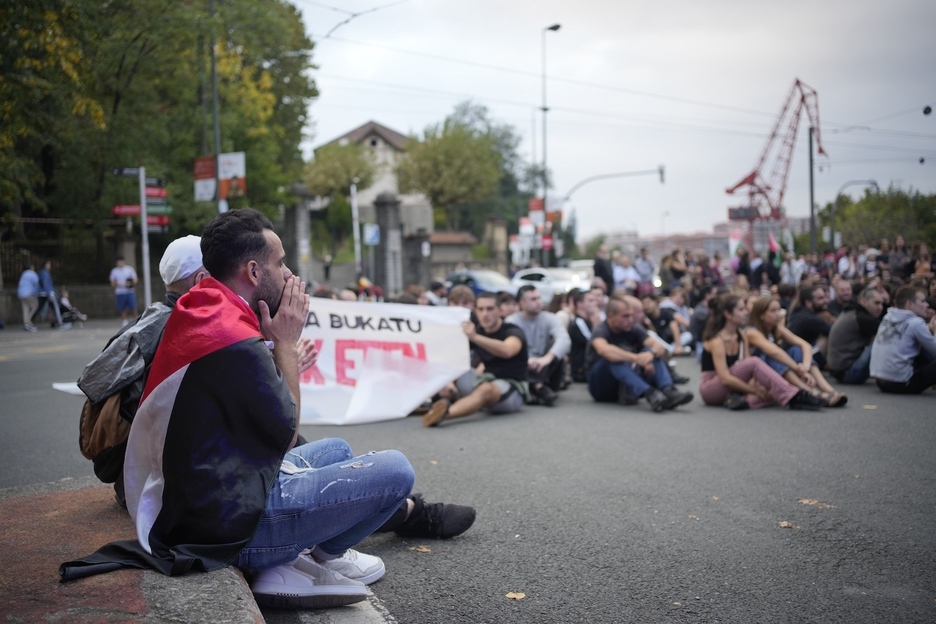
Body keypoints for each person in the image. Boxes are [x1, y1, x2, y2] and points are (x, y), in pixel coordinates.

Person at [61, 211, 464, 610]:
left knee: (336, 448)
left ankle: (301, 555)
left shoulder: (205, 308)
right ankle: (300, 556)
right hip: (227, 526)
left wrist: (275, 347)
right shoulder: (231, 335)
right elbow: (286, 433)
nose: (289, 274)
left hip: (195, 498)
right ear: (253, 271)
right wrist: (286, 344)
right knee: (396, 470)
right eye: (281, 262)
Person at [698, 293, 826, 411]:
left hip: (731, 382)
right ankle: (793, 396)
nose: (746, 313)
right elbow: (725, 378)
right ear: (728, 314)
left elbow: (748, 371)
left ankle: (743, 401)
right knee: (755, 365)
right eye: (741, 310)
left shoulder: (741, 335)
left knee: (766, 389)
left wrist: (756, 389)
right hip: (711, 389)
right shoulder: (717, 341)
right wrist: (754, 390)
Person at [423, 291, 530, 426]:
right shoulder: (477, 330)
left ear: (500, 310)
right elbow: (452, 356)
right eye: (481, 309)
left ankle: (445, 414)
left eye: (490, 309)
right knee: (456, 370)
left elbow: (507, 350)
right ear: (476, 311)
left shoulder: (512, 330)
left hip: (511, 392)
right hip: (484, 381)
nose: (485, 314)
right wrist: (449, 381)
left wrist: (475, 337)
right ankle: (429, 401)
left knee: (486, 389)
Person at [586, 297, 693, 411]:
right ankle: (650, 393)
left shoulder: (632, 328)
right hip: (601, 387)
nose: (630, 319)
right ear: (611, 316)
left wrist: (650, 355)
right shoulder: (601, 330)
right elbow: (604, 350)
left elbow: (658, 346)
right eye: (625, 316)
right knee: (612, 358)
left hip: (625, 383)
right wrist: (636, 358)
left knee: (649, 350)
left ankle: (669, 391)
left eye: (631, 315)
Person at [746, 296, 847, 406]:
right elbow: (773, 351)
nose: (778, 314)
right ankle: (809, 391)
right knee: (772, 355)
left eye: (778, 310)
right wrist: (798, 369)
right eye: (773, 311)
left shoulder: (776, 329)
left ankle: (827, 389)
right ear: (761, 315)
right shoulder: (752, 332)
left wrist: (805, 366)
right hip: (756, 376)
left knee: (796, 350)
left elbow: (805, 345)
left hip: (774, 371)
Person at [506, 285, 570, 405]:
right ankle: (539, 387)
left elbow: (564, 340)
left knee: (556, 348)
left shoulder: (550, 318)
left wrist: (546, 359)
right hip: (523, 366)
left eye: (539, 298)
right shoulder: (512, 321)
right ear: (522, 303)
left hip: (546, 368)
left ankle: (533, 388)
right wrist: (527, 360)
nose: (538, 302)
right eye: (533, 299)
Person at [870, 285, 936, 394]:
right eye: (923, 301)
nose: (927, 304)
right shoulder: (916, 323)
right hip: (902, 383)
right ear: (909, 303)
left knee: (916, 345)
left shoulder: (888, 317)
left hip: (880, 381)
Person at [827, 285, 885, 385]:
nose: (880, 308)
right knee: (883, 341)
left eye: (882, 304)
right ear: (863, 302)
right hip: (848, 372)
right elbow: (888, 333)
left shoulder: (852, 312)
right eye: (876, 303)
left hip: (839, 371)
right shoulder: (862, 318)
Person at [786, 284, 833, 367]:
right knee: (826, 336)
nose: (825, 301)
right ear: (808, 303)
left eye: (825, 297)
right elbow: (833, 332)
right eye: (820, 298)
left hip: (793, 355)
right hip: (799, 358)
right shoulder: (810, 319)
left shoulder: (799, 312)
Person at [567, 289, 597, 382]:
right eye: (590, 301)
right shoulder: (578, 322)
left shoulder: (589, 321)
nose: (595, 303)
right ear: (580, 304)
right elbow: (594, 343)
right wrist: (597, 324)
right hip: (581, 371)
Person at [37, 259, 72, 329]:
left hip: (44, 293)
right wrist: (50, 293)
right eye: (48, 264)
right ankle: (60, 322)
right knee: (55, 307)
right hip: (49, 293)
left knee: (50, 308)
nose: (50, 266)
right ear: (45, 265)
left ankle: (55, 322)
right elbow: (46, 284)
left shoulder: (42, 273)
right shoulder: (45, 273)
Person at [109, 256, 139, 326]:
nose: (120, 263)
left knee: (133, 307)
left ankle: (136, 320)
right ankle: (124, 320)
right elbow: (112, 283)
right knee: (122, 307)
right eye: (119, 262)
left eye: (121, 261)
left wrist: (130, 283)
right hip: (120, 292)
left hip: (129, 291)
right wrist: (119, 284)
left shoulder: (129, 269)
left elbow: (135, 279)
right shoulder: (114, 271)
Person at [17, 262, 40, 332]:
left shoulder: (23, 274)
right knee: (35, 305)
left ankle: (26, 323)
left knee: (25, 308)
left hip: (21, 294)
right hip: (28, 293)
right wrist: (37, 293)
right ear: (31, 267)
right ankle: (28, 321)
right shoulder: (32, 274)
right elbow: (37, 284)